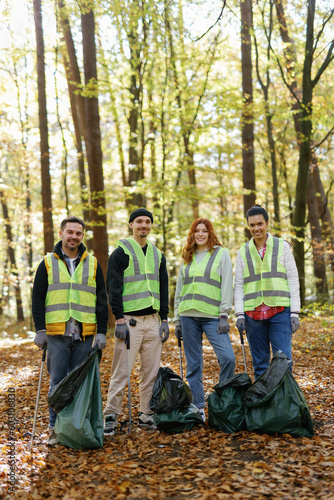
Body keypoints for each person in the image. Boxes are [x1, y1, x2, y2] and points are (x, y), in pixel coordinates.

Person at [32, 216, 108, 446]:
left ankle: (74, 427)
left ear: (82, 236)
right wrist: (40, 329)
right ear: (62, 233)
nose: (74, 236)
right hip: (56, 334)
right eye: (70, 232)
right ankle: (54, 428)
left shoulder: (93, 263)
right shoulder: (47, 263)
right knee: (58, 382)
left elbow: (101, 300)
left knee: (78, 383)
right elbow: (37, 298)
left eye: (78, 233)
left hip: (84, 334)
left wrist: (102, 331)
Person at [104, 208, 169, 435]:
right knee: (121, 371)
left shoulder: (157, 254)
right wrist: (119, 319)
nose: (144, 225)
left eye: (147, 222)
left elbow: (163, 288)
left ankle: (146, 415)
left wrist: (165, 319)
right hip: (129, 321)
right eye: (139, 221)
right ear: (131, 224)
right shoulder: (120, 252)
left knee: (150, 372)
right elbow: (113, 288)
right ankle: (111, 415)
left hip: (153, 321)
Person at [173, 218, 235, 421]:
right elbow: (179, 291)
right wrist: (177, 320)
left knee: (228, 358)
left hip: (212, 317)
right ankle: (198, 406)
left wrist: (224, 314)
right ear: (192, 234)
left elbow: (227, 284)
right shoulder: (187, 257)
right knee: (194, 365)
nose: (200, 234)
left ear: (210, 233)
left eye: (204, 231)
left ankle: (220, 400)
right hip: (188, 316)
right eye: (196, 231)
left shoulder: (220, 253)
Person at [234, 205, 301, 379]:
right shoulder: (243, 252)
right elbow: (239, 285)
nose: (256, 228)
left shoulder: (282, 246)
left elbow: (293, 279)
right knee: (260, 365)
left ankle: (285, 404)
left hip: (279, 311)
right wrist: (239, 314)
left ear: (267, 223)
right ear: (248, 226)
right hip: (252, 313)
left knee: (283, 362)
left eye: (260, 224)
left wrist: (295, 311)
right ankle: (263, 405)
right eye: (252, 225)